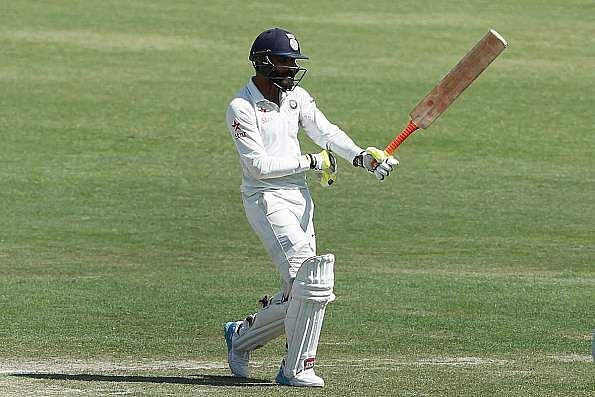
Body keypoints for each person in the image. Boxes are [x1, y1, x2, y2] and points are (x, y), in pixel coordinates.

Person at [224, 27, 399, 387]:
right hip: (265, 197)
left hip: (299, 196)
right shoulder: (241, 107)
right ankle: (295, 368)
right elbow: (257, 166)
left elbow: (327, 133)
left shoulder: (297, 97)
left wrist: (362, 157)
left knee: (302, 288)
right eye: (285, 63)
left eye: (293, 64)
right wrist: (311, 162)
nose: (291, 70)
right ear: (263, 63)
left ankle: (241, 336)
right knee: (310, 280)